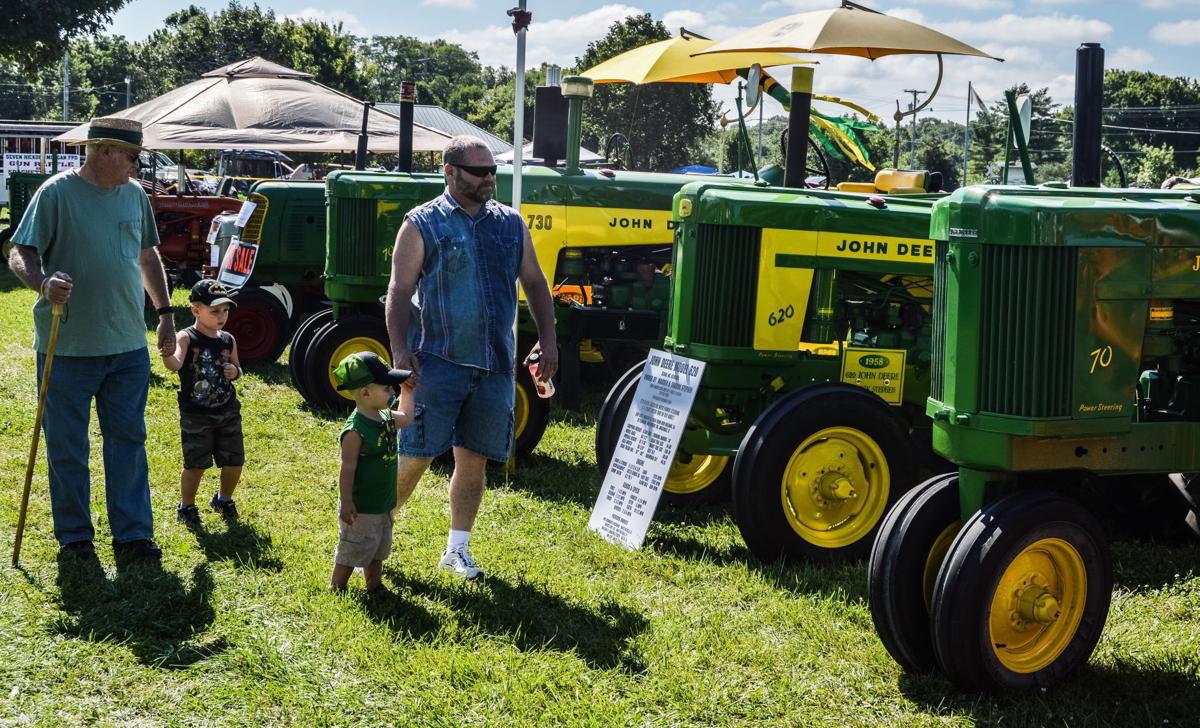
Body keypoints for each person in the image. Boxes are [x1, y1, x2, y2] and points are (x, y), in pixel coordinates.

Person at [385, 134, 558, 580]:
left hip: (495, 365)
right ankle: (375, 534)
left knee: (474, 460)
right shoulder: (421, 223)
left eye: (492, 171)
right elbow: (399, 292)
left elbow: (536, 283)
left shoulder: (510, 223)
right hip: (435, 363)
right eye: (479, 172)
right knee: (415, 454)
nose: (489, 178)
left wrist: (549, 339)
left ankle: (456, 550)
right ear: (450, 172)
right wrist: (400, 352)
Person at [6, 117, 175, 562]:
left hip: (128, 347)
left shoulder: (135, 196)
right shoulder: (56, 193)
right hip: (68, 346)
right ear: (103, 150)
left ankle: (133, 535)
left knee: (128, 442)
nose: (137, 167)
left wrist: (165, 314)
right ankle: (75, 538)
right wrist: (42, 283)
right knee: (67, 448)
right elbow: (20, 251)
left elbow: (147, 256)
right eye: (133, 157)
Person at [160, 280, 244, 528]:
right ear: (196, 310)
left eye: (225, 310)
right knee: (195, 464)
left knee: (234, 461)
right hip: (196, 414)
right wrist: (167, 354)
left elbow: (238, 368)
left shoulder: (228, 339)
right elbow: (175, 364)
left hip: (227, 410)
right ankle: (187, 506)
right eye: (215, 311)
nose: (222, 316)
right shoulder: (187, 337)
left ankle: (223, 499)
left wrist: (235, 372)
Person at [330, 352, 415, 592]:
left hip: (383, 502)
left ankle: (374, 585)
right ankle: (337, 587)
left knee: (377, 548)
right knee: (353, 548)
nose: (392, 392)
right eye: (387, 388)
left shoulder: (385, 416)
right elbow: (347, 469)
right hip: (362, 506)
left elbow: (407, 418)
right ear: (366, 393)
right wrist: (347, 502)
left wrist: (407, 391)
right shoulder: (355, 431)